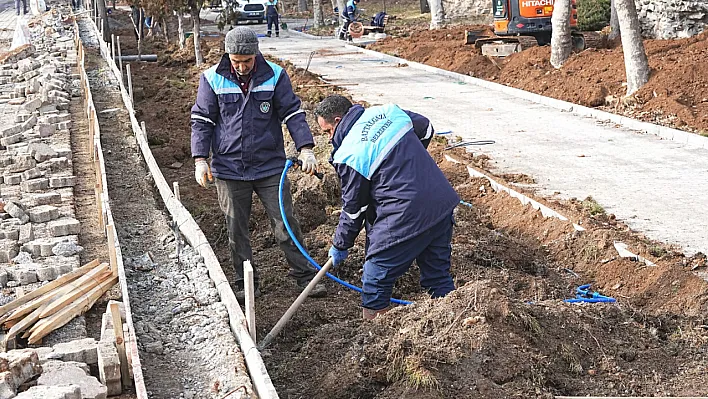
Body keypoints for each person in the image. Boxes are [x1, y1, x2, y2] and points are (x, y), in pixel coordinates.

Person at [190, 27, 326, 300]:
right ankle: (245, 282)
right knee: (236, 228)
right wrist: (200, 159)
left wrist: (306, 148)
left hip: (269, 167)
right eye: (236, 61)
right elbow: (202, 120)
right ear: (227, 55)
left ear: (256, 55)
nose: (241, 67)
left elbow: (293, 113)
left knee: (285, 223)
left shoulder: (275, 76)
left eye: (247, 61)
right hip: (229, 168)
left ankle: (304, 277)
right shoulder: (212, 78)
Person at [314, 95, 459, 320]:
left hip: (405, 214)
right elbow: (426, 128)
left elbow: (354, 210)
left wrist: (340, 245)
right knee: (437, 276)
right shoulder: (387, 112)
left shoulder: (350, 154)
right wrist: (407, 165)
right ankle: (456, 323)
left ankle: (374, 338)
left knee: (374, 280)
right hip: (440, 204)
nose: (329, 137)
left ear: (338, 119)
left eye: (328, 131)